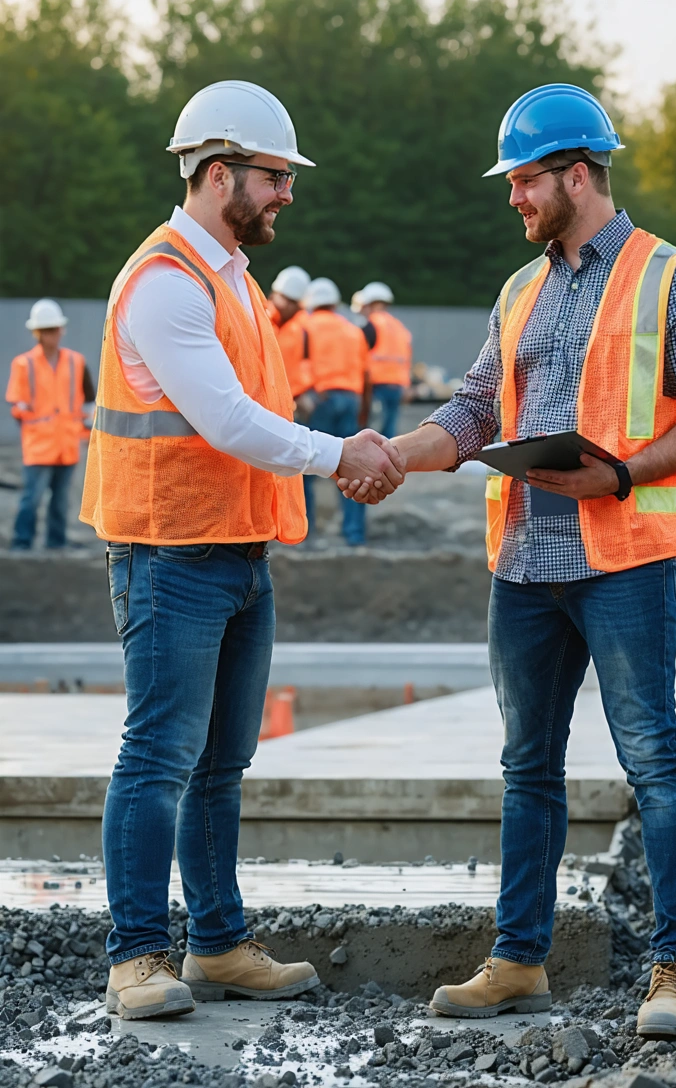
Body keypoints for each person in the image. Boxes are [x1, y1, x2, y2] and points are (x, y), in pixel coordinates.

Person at [343, 83, 676, 1036]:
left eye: (523, 180)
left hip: (625, 563)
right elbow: (475, 411)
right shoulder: (520, 289)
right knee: (528, 766)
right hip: (525, 565)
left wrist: (622, 474)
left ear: (576, 175)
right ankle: (519, 960)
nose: (513, 198)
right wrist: (396, 453)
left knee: (654, 761)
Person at [78, 79, 404, 1020]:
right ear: (218, 173)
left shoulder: (231, 278)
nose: (286, 194)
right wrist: (342, 456)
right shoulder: (165, 281)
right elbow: (226, 419)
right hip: (169, 554)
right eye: (274, 176)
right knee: (157, 757)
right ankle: (136, 958)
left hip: (237, 552)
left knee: (221, 764)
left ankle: (216, 943)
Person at [6, 299, 94, 550]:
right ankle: (22, 542)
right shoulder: (24, 364)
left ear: (61, 330)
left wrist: (86, 429)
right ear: (37, 333)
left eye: (54, 329)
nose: (51, 335)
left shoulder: (76, 362)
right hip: (39, 445)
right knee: (31, 498)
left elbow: (89, 399)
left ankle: (56, 542)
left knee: (61, 499)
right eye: (46, 330)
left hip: (67, 442)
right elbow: (17, 405)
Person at [302, 277, 371, 546]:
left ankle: (305, 533)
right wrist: (364, 412)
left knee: (306, 465)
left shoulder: (305, 326)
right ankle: (354, 534)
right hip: (351, 399)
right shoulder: (353, 330)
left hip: (319, 399)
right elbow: (366, 375)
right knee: (353, 470)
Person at [352, 281, 412, 438]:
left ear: (369, 303)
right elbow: (406, 358)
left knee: (372, 434)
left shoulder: (371, 325)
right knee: (389, 434)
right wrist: (406, 385)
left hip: (375, 385)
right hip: (397, 386)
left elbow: (359, 356)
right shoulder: (399, 327)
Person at [266, 265, 313, 410]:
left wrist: (300, 394)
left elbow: (301, 365)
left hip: (288, 402)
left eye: (293, 302)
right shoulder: (259, 317)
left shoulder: (300, 329)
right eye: (285, 299)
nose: (287, 306)